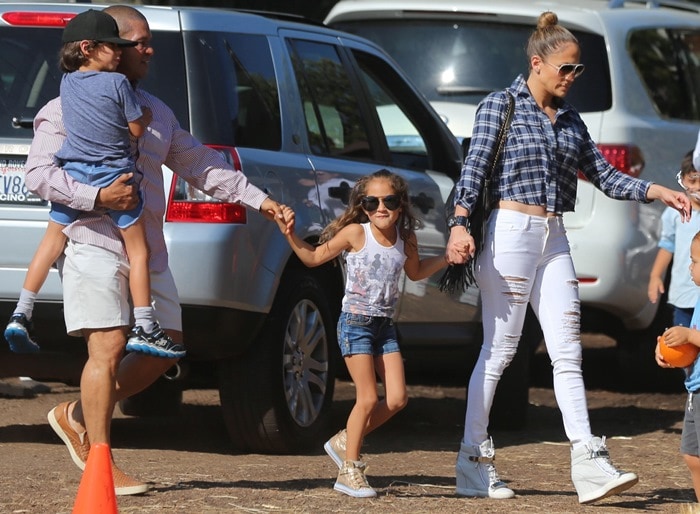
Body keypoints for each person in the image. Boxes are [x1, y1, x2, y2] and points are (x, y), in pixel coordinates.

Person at [23, 5, 285, 496]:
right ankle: (102, 461)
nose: (149, 49)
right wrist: (97, 198)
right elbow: (37, 176)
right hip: (93, 242)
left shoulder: (157, 112)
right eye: (139, 42)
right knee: (108, 348)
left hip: (147, 250)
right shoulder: (61, 110)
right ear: (106, 49)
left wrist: (264, 201)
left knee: (162, 350)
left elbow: (202, 165)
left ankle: (77, 414)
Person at [445, 10, 692, 504]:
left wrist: (657, 190)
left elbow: (604, 176)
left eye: (578, 70)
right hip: (511, 231)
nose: (573, 78)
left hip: (554, 235)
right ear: (538, 63)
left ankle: (588, 461)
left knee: (568, 351)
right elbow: (473, 168)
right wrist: (458, 221)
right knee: (500, 351)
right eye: (566, 68)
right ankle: (472, 459)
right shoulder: (502, 104)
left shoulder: (573, 121)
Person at [3, 9, 182, 359]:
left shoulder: (66, 85)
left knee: (51, 243)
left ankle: (21, 311)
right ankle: (146, 325)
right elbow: (134, 131)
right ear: (89, 47)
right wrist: (144, 118)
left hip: (73, 173)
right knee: (139, 248)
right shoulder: (117, 83)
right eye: (112, 47)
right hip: (113, 176)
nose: (119, 54)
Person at [274, 169, 448, 498]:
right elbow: (313, 257)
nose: (380, 208)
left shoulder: (405, 238)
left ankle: (344, 440)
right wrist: (289, 234)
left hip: (384, 326)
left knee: (397, 399)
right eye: (372, 201)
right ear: (363, 205)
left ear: (401, 204)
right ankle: (348, 470)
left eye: (389, 201)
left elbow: (415, 271)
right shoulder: (356, 233)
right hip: (355, 323)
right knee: (367, 398)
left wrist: (445, 259)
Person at [656, 230, 700, 503]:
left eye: (695, 261)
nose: (689, 267)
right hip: (695, 388)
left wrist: (689, 336)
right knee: (692, 455)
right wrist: (671, 350)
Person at [649, 151, 700, 328]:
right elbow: (667, 245)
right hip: (683, 295)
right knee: (683, 348)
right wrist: (655, 276)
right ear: (683, 180)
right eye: (693, 181)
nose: (698, 187)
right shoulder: (674, 212)